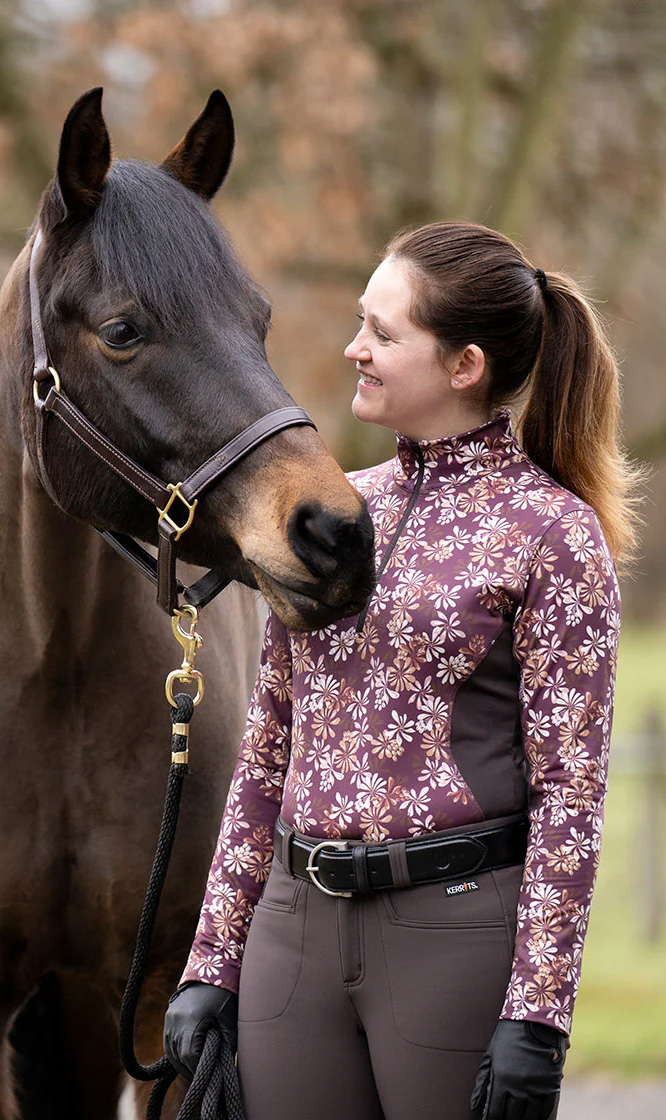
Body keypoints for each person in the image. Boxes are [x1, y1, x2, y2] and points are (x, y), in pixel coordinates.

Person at [164, 221, 642, 1120]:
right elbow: (267, 755)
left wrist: (537, 1014)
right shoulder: (335, 512)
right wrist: (211, 963)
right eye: (361, 323)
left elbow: (569, 796)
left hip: (453, 934)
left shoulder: (553, 536)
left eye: (384, 333)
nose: (355, 348)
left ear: (464, 366)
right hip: (291, 935)